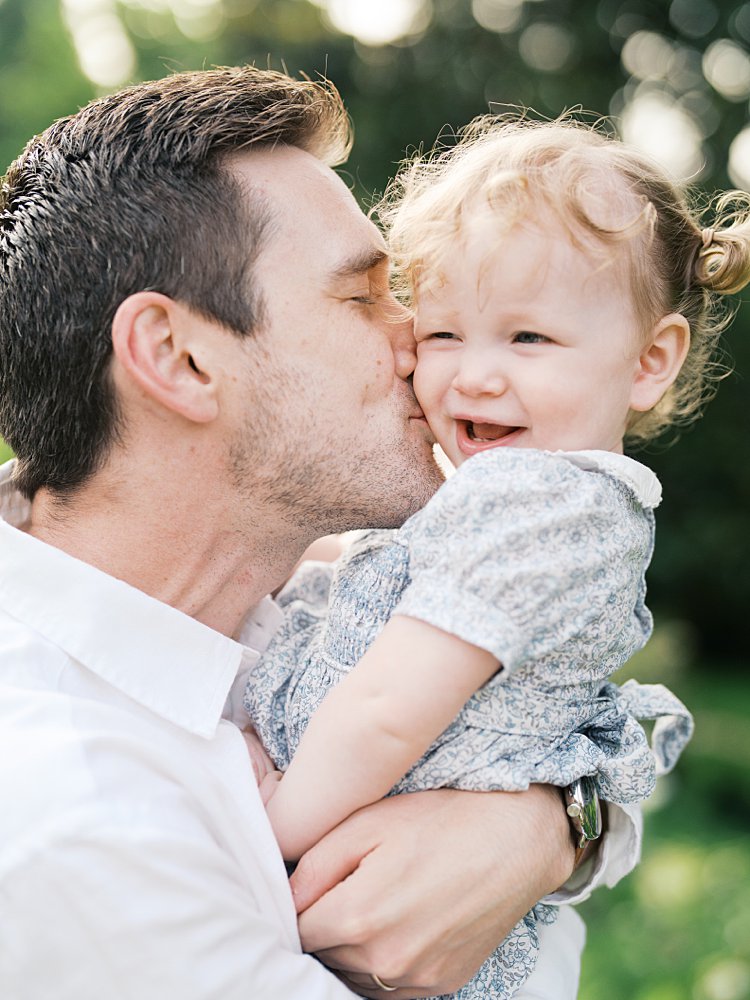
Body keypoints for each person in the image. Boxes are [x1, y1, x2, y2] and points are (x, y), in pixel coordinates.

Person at [0, 68, 640, 1000]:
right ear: (179, 359)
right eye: (363, 297)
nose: (424, 340)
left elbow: (603, 694)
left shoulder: (292, 597)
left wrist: (552, 825)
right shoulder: (75, 816)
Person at [245, 115, 750, 997]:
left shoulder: (546, 509)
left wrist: (259, 834)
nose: (474, 375)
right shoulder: (513, 499)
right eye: (443, 334)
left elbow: (392, 708)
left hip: (423, 941)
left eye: (528, 339)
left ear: (650, 361)